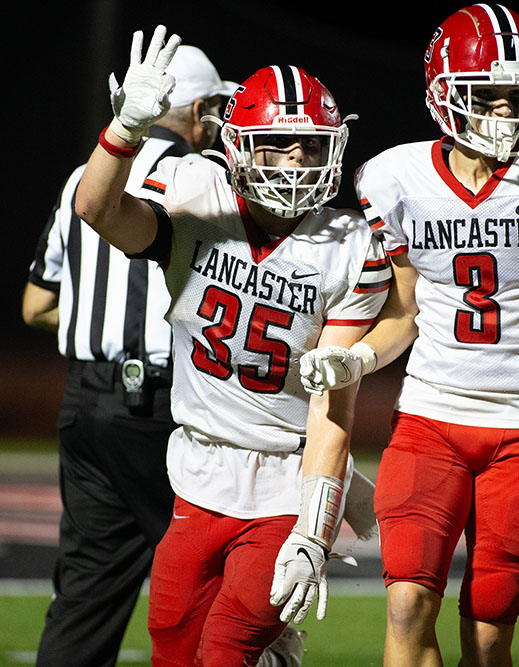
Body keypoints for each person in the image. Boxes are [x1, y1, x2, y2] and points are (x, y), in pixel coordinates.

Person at [298, 4, 519, 666]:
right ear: (445, 94)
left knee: (489, 633)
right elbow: (406, 313)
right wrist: (355, 355)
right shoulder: (396, 178)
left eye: (518, 95)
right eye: (488, 95)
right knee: (408, 603)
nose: (505, 111)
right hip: (431, 417)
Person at [72, 25, 390, 667]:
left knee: (224, 654)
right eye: (277, 145)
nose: (295, 161)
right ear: (241, 147)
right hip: (195, 468)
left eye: (309, 146)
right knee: (172, 647)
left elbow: (335, 407)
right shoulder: (199, 197)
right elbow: (98, 209)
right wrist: (125, 131)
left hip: (283, 479)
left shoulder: (348, 247)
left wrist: (315, 525)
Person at [23, 44, 310, 667]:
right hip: (172, 408)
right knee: (219, 606)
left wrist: (99, 337)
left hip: (86, 401)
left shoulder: (86, 174)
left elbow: (35, 306)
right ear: (203, 108)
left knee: (86, 595)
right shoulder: (207, 175)